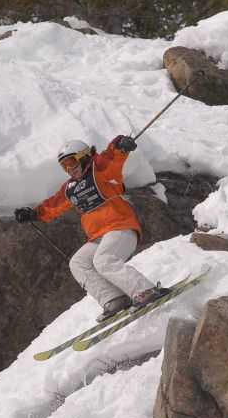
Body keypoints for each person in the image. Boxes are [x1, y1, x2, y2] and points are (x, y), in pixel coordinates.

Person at [15, 135, 165, 322]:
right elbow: (54, 205)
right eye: (64, 166)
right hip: (98, 236)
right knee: (78, 263)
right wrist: (33, 214)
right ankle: (114, 299)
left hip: (121, 227)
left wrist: (120, 146)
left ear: (83, 156)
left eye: (71, 162)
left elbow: (112, 157)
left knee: (103, 259)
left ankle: (144, 291)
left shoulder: (100, 169)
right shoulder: (69, 188)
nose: (70, 169)